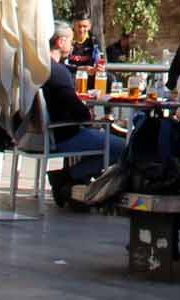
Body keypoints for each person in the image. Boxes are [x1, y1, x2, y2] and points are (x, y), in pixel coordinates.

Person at [38, 29, 124, 211]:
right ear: (60, 42)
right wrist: (94, 120)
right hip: (63, 135)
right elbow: (79, 112)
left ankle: (73, 183)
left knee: (99, 138)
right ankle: (67, 177)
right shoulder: (58, 73)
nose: (73, 45)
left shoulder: (37, 70)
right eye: (70, 40)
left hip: (38, 135)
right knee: (122, 147)